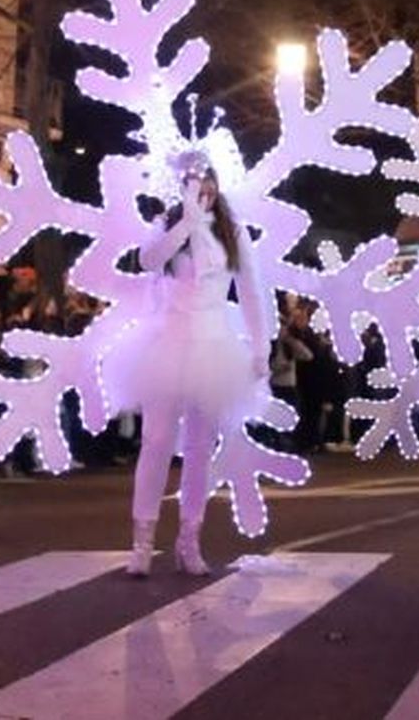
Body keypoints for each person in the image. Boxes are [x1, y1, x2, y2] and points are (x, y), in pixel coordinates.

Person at [107, 156, 271, 577]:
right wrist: (186, 222)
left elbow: (251, 291)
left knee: (199, 448)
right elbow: (147, 260)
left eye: (209, 180)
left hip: (213, 349)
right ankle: (142, 542)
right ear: (183, 187)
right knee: (156, 440)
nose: (204, 188)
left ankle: (189, 540)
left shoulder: (233, 232)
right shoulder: (166, 224)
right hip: (167, 344)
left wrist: (261, 346)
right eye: (195, 182)